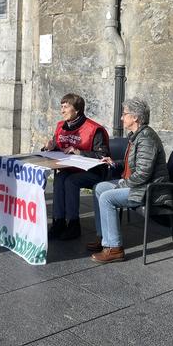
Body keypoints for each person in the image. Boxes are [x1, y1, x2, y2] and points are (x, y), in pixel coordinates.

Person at [88, 97, 170, 263]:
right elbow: (133, 165)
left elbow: (143, 174)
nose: (121, 118)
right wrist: (116, 164)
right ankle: (104, 236)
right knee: (99, 188)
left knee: (107, 197)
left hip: (149, 190)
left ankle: (114, 248)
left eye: (124, 114)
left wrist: (120, 184)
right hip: (140, 185)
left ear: (135, 118)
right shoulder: (138, 135)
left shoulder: (146, 138)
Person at [45, 93, 110, 240]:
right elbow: (58, 149)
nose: (62, 111)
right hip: (69, 169)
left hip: (94, 172)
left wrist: (79, 152)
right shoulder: (60, 126)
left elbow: (103, 156)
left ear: (77, 110)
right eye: (61, 107)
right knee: (60, 178)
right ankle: (58, 222)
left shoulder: (94, 129)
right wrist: (49, 147)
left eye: (66, 107)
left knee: (70, 181)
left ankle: (73, 225)